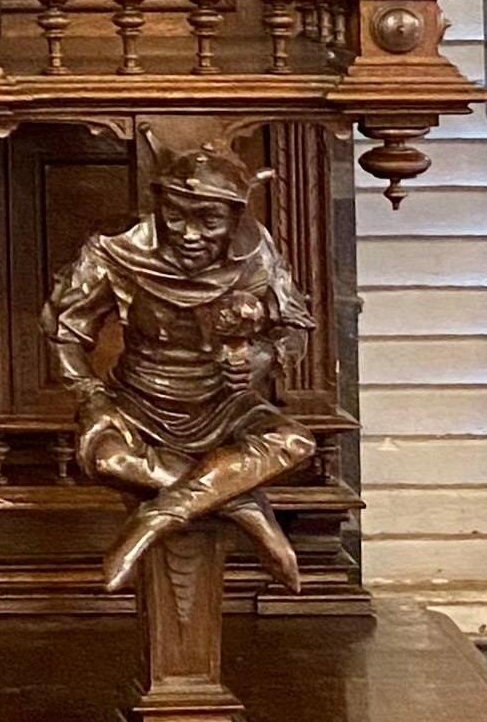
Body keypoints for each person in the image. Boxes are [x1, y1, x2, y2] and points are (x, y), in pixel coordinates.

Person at [42, 139, 316, 595]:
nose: (189, 234)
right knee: (106, 457)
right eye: (176, 216)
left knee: (294, 441)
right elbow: (64, 331)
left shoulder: (255, 253)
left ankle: (152, 521)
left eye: (208, 220)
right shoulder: (116, 250)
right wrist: (92, 395)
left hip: (225, 407)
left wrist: (261, 354)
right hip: (138, 403)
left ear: (235, 218)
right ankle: (242, 505)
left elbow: (295, 327)